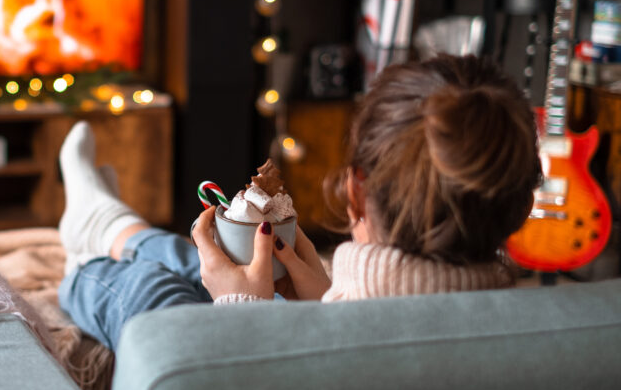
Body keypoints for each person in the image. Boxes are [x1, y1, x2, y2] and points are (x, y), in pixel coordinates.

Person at [57, 54, 542, 351]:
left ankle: (85, 255)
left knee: (152, 293)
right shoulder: (531, 335)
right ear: (522, 208)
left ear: (357, 192)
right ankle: (109, 223)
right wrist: (328, 298)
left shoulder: (353, 352)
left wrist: (239, 305)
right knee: (215, 261)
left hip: (212, 347)